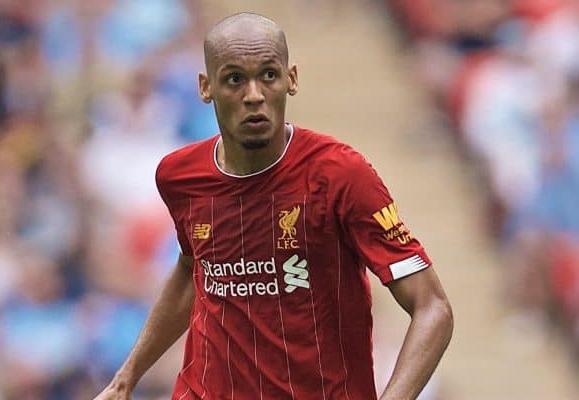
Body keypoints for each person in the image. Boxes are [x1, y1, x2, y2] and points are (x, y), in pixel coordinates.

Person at [94, 12, 453, 400]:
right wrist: (125, 379)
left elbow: (433, 307)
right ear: (205, 87)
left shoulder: (339, 175)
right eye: (234, 79)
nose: (253, 95)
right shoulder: (179, 177)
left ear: (291, 79)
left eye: (268, 75)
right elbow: (192, 267)